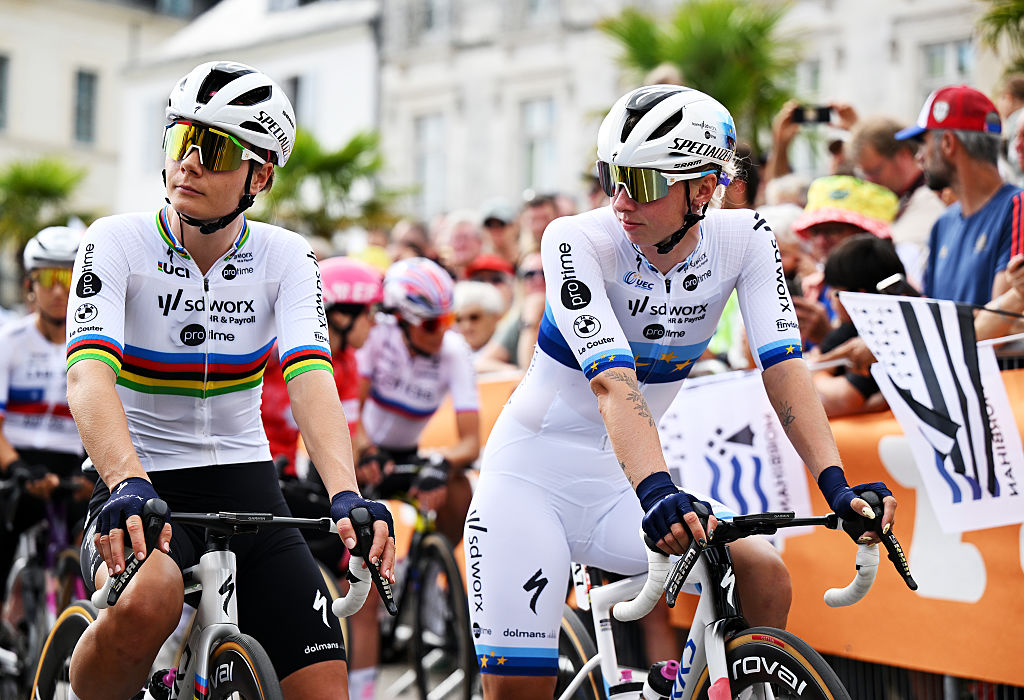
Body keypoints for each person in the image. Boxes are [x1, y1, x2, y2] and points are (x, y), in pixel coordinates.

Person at [465, 84, 897, 700]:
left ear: (701, 188)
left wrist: (837, 483)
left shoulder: (746, 237)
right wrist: (658, 489)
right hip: (529, 484)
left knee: (762, 573)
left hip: (618, 484)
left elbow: (784, 369)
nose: (619, 200)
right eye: (612, 175)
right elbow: (614, 383)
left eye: (640, 182)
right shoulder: (575, 239)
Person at [64, 61, 394, 700]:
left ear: (260, 174)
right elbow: (88, 377)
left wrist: (346, 495)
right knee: (150, 597)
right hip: (141, 477)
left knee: (327, 687)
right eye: (178, 141)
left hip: (248, 483)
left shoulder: (287, 257)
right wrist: (127, 482)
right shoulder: (116, 242)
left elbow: (311, 379)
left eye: (211, 148)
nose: (187, 163)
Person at [0, 226, 93, 604]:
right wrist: (16, 467)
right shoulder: (9, 341)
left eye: (69, 278)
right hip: (18, 462)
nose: (59, 290)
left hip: (75, 464)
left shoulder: (93, 342)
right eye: (49, 279)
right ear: (30, 287)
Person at [895, 84, 1024, 341]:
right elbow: (933, 318)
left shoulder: (1018, 206)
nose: (919, 157)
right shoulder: (942, 224)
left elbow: (998, 329)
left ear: (948, 143)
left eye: (923, 142)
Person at [790, 175, 898, 349]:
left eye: (834, 231)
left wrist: (827, 337)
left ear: (865, 235)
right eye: (815, 232)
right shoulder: (811, 286)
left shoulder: (891, 288)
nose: (821, 241)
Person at [811, 234, 910, 417]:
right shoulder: (846, 329)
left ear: (859, 294)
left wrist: (815, 374)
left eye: (834, 289)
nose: (828, 296)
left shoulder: (886, 331)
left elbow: (843, 399)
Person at [848, 115, 947, 287]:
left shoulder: (934, 198)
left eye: (875, 171)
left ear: (903, 155)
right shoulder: (899, 199)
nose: (871, 181)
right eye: (865, 174)